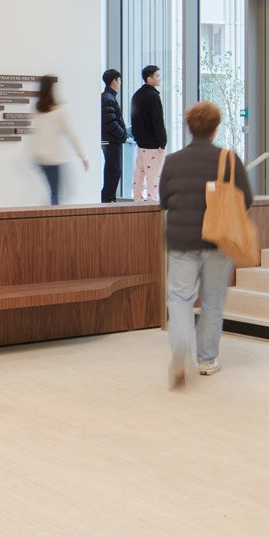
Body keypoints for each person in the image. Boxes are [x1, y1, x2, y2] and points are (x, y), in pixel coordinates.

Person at [158, 102, 240, 386]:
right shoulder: (228, 159)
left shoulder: (173, 161)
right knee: (212, 299)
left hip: (181, 240)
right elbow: (247, 199)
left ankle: (180, 347)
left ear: (189, 128)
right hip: (217, 240)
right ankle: (206, 360)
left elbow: (164, 201)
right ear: (216, 128)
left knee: (179, 298)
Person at [25, 75, 90, 205]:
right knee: (61, 193)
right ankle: (53, 220)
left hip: (41, 158)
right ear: (51, 90)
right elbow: (71, 135)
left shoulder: (37, 110)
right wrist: (82, 156)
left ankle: (51, 216)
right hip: (55, 159)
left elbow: (34, 134)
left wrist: (33, 154)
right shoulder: (59, 111)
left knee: (55, 192)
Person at [130, 65, 168, 202]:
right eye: (157, 76)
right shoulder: (153, 96)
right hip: (153, 145)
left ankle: (137, 201)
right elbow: (157, 121)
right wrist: (162, 142)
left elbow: (134, 119)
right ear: (149, 78)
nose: (159, 79)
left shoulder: (137, 95)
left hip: (141, 144)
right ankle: (153, 203)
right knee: (154, 176)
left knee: (139, 174)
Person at [99, 69, 129, 203]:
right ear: (114, 81)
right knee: (114, 171)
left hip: (111, 141)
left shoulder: (108, 97)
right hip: (111, 141)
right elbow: (109, 121)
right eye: (119, 80)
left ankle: (110, 199)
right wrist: (122, 134)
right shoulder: (108, 98)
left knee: (113, 170)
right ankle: (107, 200)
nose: (120, 83)